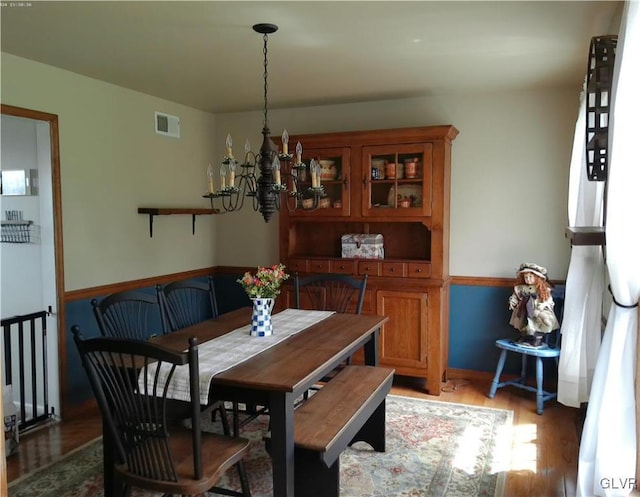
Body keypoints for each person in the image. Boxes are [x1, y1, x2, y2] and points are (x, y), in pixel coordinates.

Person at [508, 262, 560, 344]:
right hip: (524, 309)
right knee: (523, 323)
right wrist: (513, 302)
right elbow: (516, 296)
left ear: (537, 277)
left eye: (530, 277)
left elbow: (548, 299)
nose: (528, 279)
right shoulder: (520, 288)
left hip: (537, 309)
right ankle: (525, 337)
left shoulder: (542, 289)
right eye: (526, 277)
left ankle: (537, 339)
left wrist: (544, 304)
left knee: (537, 324)